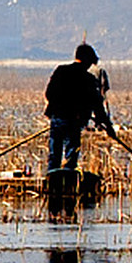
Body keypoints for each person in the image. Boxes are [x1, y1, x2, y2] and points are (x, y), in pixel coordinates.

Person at [45, 43, 114, 175]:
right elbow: (97, 106)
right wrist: (107, 126)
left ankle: (52, 177)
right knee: (71, 154)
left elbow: (49, 94)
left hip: (57, 118)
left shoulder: (60, 71)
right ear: (87, 60)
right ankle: (66, 180)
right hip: (73, 121)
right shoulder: (88, 79)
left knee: (55, 153)